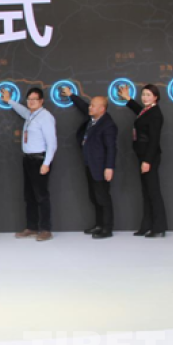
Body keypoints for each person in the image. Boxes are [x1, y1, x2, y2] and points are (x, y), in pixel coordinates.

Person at [60, 87, 118, 239]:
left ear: (102, 109)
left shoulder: (108, 125)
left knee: (103, 197)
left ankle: (107, 228)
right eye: (90, 105)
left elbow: (111, 148)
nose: (89, 107)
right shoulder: (94, 118)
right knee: (94, 197)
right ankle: (99, 224)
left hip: (101, 167)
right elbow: (83, 106)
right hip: (90, 165)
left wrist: (109, 167)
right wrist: (71, 95)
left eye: (93, 105)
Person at [1, 87, 57, 242]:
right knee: (29, 196)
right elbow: (22, 111)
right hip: (28, 160)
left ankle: (45, 229)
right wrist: (9, 101)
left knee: (41, 196)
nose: (31, 102)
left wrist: (46, 163)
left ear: (41, 101)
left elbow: (52, 144)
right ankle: (31, 227)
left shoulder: (46, 117)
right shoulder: (31, 115)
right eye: (29, 99)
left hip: (39, 160)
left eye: (34, 99)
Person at [118, 84, 168, 238]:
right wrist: (128, 99)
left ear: (156, 97)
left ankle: (159, 227)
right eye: (143, 94)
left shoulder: (155, 114)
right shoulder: (147, 111)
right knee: (146, 192)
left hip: (149, 158)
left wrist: (147, 161)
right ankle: (147, 225)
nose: (145, 97)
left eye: (148, 95)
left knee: (153, 192)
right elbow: (140, 112)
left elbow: (154, 140)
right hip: (143, 156)